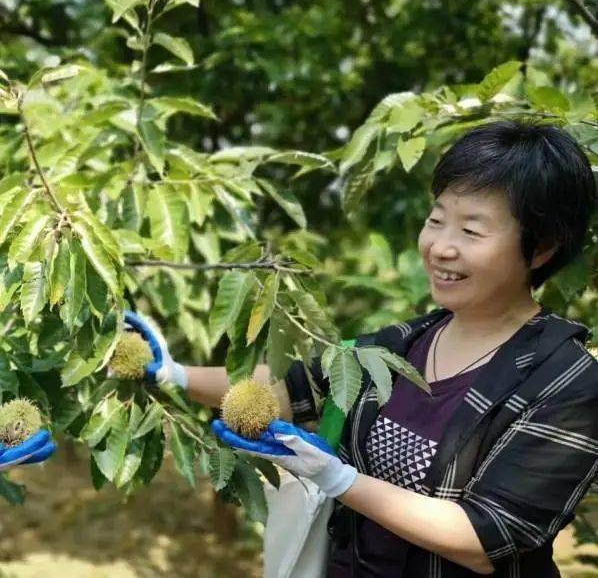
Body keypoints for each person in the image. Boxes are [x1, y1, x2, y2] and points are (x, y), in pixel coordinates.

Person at [126, 120, 598, 577]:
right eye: (437, 220)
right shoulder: (403, 344)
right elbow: (284, 391)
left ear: (542, 249)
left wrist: (338, 479)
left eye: (471, 232)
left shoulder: (567, 382)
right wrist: (172, 372)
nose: (440, 247)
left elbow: (483, 539)